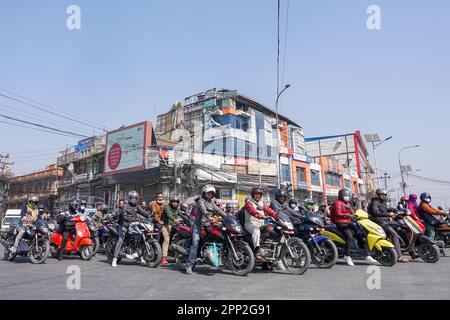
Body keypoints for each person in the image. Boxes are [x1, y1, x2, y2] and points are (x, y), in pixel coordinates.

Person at [185, 185, 226, 275]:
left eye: (211, 193)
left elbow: (218, 210)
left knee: (219, 235)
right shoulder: (201, 201)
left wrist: (228, 216)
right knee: (196, 242)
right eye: (208, 193)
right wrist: (208, 216)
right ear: (204, 193)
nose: (210, 194)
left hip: (208, 224)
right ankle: (189, 265)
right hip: (198, 225)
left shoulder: (212, 202)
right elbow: (204, 210)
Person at [330, 188, 378, 266]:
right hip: (340, 222)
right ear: (341, 195)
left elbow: (352, 211)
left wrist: (359, 214)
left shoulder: (348, 204)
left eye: (347, 195)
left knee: (359, 234)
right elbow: (338, 213)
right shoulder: (338, 203)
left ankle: (366, 255)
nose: (346, 197)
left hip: (348, 222)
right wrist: (347, 215)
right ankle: (347, 256)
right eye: (344, 195)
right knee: (349, 237)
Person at [111, 191, 150, 267]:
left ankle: (141, 256)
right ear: (129, 198)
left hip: (133, 225)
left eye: (135, 198)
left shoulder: (137, 206)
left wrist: (149, 216)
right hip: (123, 225)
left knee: (140, 236)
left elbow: (143, 212)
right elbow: (124, 215)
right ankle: (115, 258)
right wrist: (130, 219)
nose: (134, 199)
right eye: (132, 198)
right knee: (121, 240)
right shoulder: (125, 206)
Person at [369, 189, 409, 263]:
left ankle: (408, 251)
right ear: (378, 195)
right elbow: (376, 213)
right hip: (380, 222)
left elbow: (384, 210)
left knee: (401, 230)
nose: (384, 196)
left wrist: (393, 209)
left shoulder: (382, 202)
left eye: (385, 195)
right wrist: (388, 214)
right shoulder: (375, 202)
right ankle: (399, 256)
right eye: (382, 195)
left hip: (387, 220)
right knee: (394, 234)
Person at [243, 186, 278, 261]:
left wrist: (276, 215)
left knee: (271, 229)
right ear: (253, 195)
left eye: (259, 194)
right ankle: (257, 250)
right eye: (256, 194)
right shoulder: (249, 203)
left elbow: (269, 210)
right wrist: (259, 215)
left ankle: (267, 251)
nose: (258, 195)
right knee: (256, 230)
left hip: (260, 224)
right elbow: (252, 211)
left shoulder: (261, 204)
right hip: (250, 224)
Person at [161, 195, 181, 265]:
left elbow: (183, 215)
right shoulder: (167, 207)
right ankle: (164, 257)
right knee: (167, 240)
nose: (175, 203)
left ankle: (174, 253)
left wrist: (190, 220)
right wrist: (174, 219)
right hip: (165, 225)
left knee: (182, 235)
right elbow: (169, 214)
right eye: (173, 202)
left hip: (174, 225)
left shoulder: (177, 209)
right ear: (171, 202)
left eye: (176, 202)